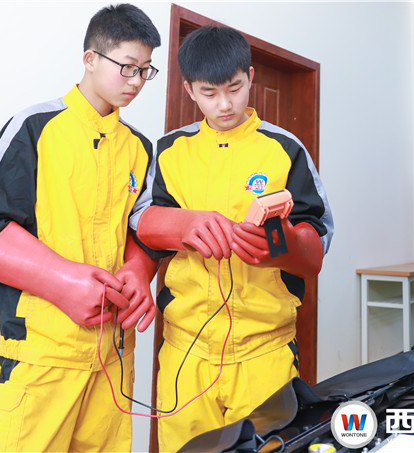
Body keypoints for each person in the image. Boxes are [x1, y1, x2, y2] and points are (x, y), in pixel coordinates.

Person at [0, 4, 161, 451]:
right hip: (41, 358)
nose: (135, 81)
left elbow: (141, 228)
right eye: (127, 67)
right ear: (90, 58)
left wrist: (140, 271)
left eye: (145, 71)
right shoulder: (35, 126)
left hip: (112, 363)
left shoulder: (140, 147)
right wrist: (64, 280)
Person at [129, 25, 334, 449]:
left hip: (265, 353)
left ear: (251, 77)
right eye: (209, 93)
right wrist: (179, 231)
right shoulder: (168, 152)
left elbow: (316, 246)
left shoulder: (285, 149)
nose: (224, 104)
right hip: (186, 354)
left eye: (235, 89)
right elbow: (143, 229)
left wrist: (282, 247)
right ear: (189, 90)